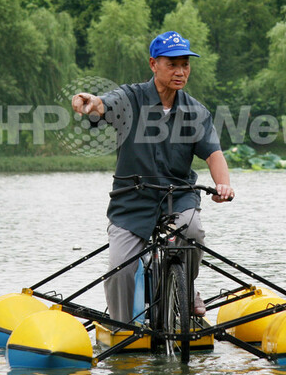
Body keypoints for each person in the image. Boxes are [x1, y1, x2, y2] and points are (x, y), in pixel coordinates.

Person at [71, 30, 234, 323]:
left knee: (193, 232)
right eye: (172, 64)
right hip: (132, 201)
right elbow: (104, 104)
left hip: (178, 197)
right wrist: (90, 102)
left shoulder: (196, 112)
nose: (180, 71)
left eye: (185, 64)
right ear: (153, 65)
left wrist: (224, 185)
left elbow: (213, 153)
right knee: (120, 269)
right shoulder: (130, 98)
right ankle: (123, 327)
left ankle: (188, 289)